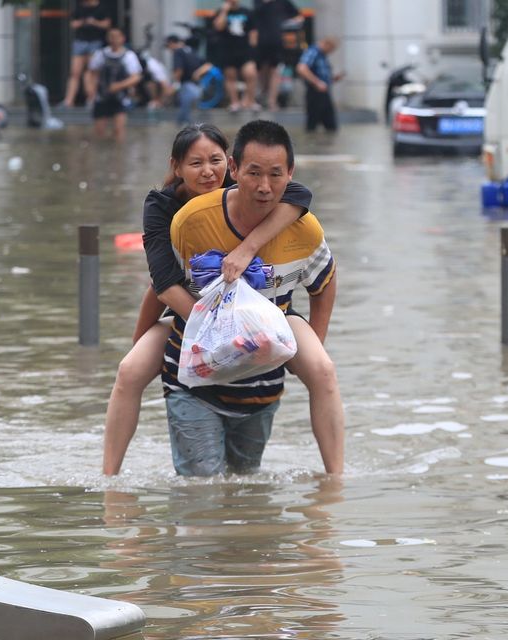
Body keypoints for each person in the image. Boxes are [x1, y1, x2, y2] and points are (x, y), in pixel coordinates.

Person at [102, 122, 343, 477]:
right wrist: (213, 325)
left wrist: (248, 248)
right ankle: (110, 478)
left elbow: (300, 198)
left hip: (269, 312)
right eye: (195, 163)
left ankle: (335, 480)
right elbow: (161, 284)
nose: (207, 172)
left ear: (227, 164)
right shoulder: (171, 211)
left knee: (322, 369)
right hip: (190, 310)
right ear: (177, 168)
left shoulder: (259, 193)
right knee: (129, 370)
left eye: (214, 160)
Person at [86, 28, 143, 142]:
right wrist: (89, 89)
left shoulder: (129, 56)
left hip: (120, 98)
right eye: (111, 36)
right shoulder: (100, 54)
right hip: (101, 96)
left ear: (123, 38)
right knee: (99, 132)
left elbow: (136, 77)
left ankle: (118, 155)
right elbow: (91, 73)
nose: (114, 39)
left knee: (119, 131)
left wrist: (120, 85)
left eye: (117, 36)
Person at [249, 0, 302, 112]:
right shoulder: (257, 2)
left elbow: (299, 17)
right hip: (261, 42)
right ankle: (261, 95)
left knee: (275, 70)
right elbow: (253, 20)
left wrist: (287, 24)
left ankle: (272, 101)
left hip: (277, 41)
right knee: (260, 69)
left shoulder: (283, 2)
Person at [62, 0, 112, 107]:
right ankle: (69, 100)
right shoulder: (80, 7)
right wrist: (83, 22)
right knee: (75, 72)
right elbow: (73, 24)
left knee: (91, 71)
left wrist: (94, 22)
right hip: (80, 41)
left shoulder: (102, 7)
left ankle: (91, 98)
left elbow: (107, 24)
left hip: (95, 41)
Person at [213, 0, 259, 111]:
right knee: (230, 76)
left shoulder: (246, 12)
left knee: (250, 74)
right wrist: (224, 11)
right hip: (227, 49)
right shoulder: (220, 11)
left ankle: (250, 101)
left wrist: (253, 48)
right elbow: (218, 27)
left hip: (245, 49)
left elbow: (253, 31)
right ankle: (235, 102)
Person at [295, 37, 343, 132]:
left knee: (331, 126)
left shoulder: (322, 56)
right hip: (315, 93)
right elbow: (301, 68)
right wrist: (317, 83)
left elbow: (323, 78)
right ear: (326, 44)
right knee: (312, 125)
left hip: (324, 94)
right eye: (331, 49)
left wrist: (333, 79)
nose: (331, 52)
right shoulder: (313, 52)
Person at [165, 34, 214, 124]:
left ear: (171, 43)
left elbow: (179, 70)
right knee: (190, 117)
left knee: (185, 118)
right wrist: (198, 73)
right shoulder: (191, 50)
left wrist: (175, 84)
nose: (168, 50)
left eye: (167, 46)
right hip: (197, 87)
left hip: (187, 86)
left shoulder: (178, 52)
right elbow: (208, 65)